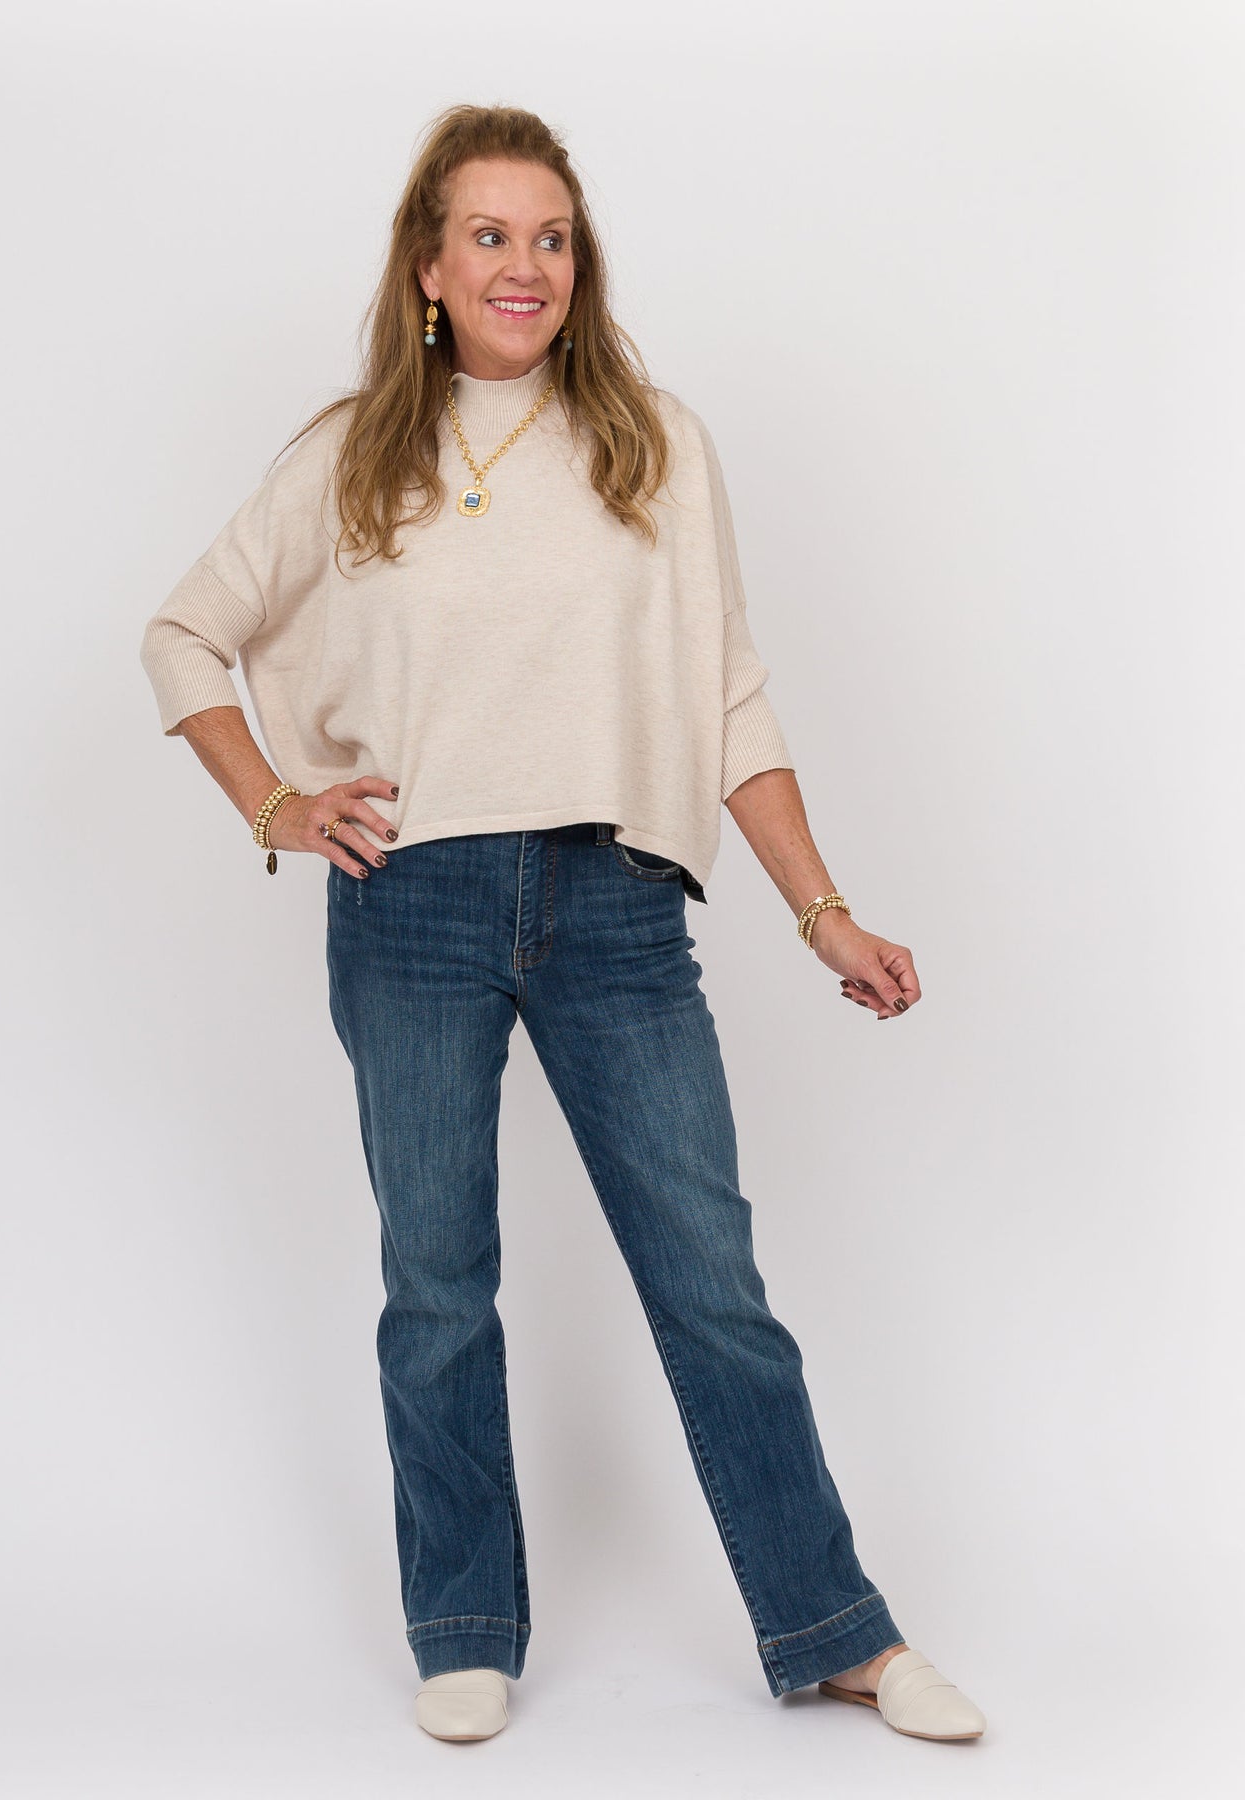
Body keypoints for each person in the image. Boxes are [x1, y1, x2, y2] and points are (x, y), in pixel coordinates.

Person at [138, 102, 987, 1749]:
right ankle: (463, 1623)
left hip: (615, 904)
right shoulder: (348, 457)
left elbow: (728, 697)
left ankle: (837, 1630)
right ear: (429, 265)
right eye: (489, 235)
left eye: (550, 237)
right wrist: (276, 803)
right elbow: (184, 636)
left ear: (576, 262)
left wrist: (823, 912)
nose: (523, 265)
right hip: (411, 901)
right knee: (437, 1284)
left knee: (710, 1279)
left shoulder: (653, 445)